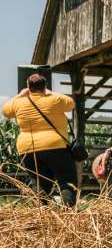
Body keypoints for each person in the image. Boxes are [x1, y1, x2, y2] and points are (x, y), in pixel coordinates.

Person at [1, 73, 78, 206]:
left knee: (39, 182)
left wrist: (20, 95)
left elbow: (5, 111)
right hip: (55, 146)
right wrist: (49, 92)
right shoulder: (54, 99)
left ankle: (42, 214)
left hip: (27, 149)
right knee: (66, 180)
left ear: (28, 87)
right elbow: (71, 103)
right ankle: (69, 213)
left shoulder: (19, 102)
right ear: (45, 87)